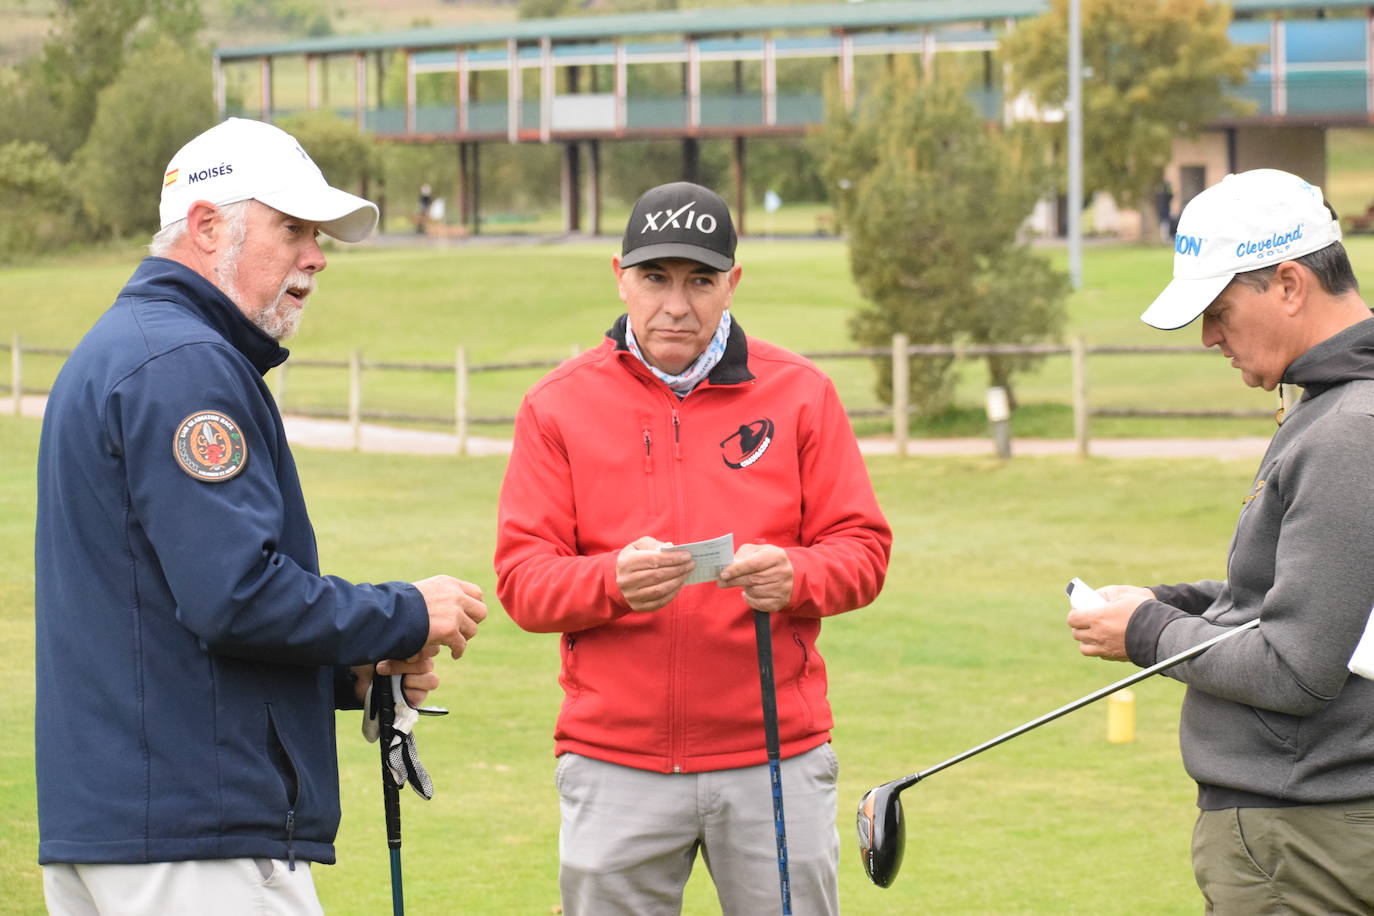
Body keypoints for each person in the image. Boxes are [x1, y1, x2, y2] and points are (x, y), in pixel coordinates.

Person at [34, 117, 488, 915]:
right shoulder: (186, 363)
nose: (316, 256)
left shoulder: (127, 347)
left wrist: (351, 673)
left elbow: (166, 619)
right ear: (208, 226)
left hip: (123, 827)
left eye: (318, 235)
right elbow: (234, 595)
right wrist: (403, 614)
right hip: (195, 835)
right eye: (292, 229)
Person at [494, 181, 891, 915]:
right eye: (655, 278)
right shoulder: (556, 405)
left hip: (775, 757)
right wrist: (609, 581)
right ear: (619, 275)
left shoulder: (801, 394)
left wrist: (797, 573)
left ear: (732, 282)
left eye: (700, 281)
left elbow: (863, 549)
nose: (676, 304)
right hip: (617, 764)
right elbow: (523, 579)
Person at [1066, 168, 1374, 913]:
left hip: (1303, 840)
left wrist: (1146, 631)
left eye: (1219, 309)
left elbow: (1296, 670)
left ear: (1291, 285)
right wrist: (1177, 601)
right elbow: (1318, 599)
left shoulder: (1346, 431)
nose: (1209, 335)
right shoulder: (1336, 409)